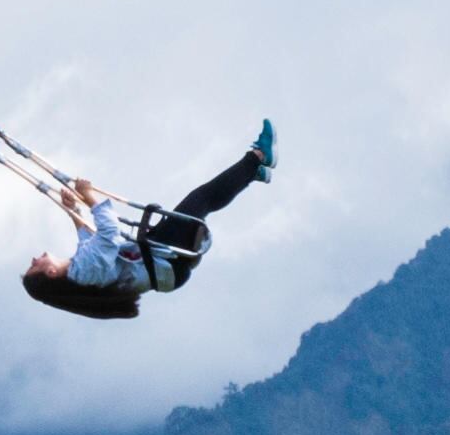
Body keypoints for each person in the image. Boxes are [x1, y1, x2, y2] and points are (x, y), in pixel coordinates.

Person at [24, 122, 274, 319]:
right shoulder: (85, 271)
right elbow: (108, 232)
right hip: (163, 260)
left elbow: (91, 242)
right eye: (34, 266)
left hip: (157, 260)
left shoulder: (80, 272)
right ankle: (258, 158)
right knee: (202, 199)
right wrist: (88, 195)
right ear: (50, 272)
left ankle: (254, 173)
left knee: (202, 202)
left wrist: (73, 211)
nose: (34, 259)